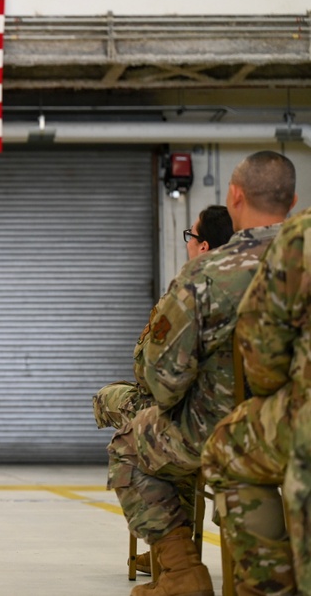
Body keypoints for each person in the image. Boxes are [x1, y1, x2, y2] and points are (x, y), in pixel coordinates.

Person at [107, 150, 296, 596]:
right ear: (293, 201)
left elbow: (160, 379)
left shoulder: (205, 275)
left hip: (224, 430)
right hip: (299, 429)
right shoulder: (301, 263)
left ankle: (182, 573)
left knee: (128, 448)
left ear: (235, 197)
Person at [93, 203, 235, 575]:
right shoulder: (256, 285)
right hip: (244, 418)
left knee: (133, 437)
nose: (187, 242)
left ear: (203, 247)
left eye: (191, 235)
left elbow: (149, 369)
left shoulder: (190, 289)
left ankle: (175, 560)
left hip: (198, 420)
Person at [201, 206, 311, 595]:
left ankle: (272, 586)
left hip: (301, 422)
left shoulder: (302, 236)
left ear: (236, 196)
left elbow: (263, 359)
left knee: (224, 446)